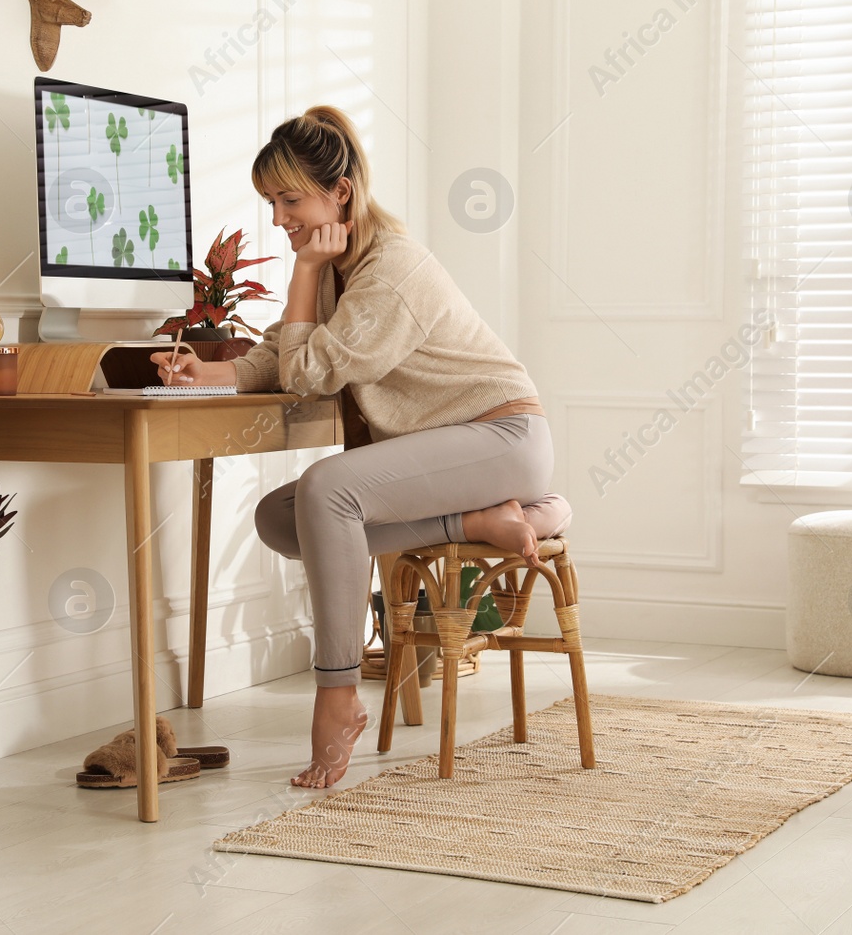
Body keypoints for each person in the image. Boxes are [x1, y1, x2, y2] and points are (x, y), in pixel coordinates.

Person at [149, 106, 570, 789]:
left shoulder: (388, 269)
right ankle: (478, 520)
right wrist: (210, 375)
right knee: (280, 517)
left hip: (502, 438)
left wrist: (306, 272)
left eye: (289, 200)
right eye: (271, 202)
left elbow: (310, 370)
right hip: (458, 453)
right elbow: (280, 354)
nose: (280, 218)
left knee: (327, 489)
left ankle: (337, 694)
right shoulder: (342, 264)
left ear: (338, 192)